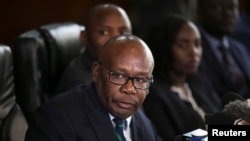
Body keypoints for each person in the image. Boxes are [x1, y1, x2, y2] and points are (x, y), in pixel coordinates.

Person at [25, 34, 158, 141]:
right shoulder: (55, 119)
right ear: (96, 72)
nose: (129, 89)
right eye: (119, 75)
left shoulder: (145, 125)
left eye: (140, 79)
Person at [142, 14, 222, 141]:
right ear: (164, 48)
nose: (194, 52)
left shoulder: (200, 82)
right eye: (183, 45)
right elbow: (171, 139)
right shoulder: (153, 93)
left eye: (197, 44)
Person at [54, 3, 132, 94]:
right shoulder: (81, 86)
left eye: (122, 32)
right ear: (85, 37)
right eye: (104, 32)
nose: (116, 39)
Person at [196, 0, 250, 99]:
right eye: (218, 8)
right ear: (200, 11)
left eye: (232, 7)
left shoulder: (240, 48)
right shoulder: (194, 50)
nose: (227, 14)